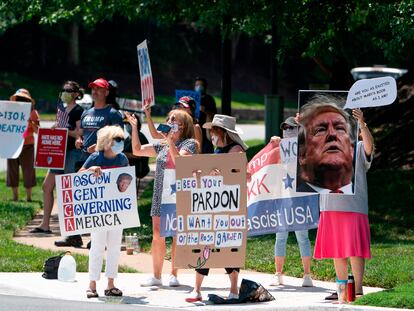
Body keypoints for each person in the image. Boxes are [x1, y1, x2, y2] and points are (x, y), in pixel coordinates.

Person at [125, 109, 197, 287]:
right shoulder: (163, 145)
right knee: (157, 234)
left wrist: (171, 141)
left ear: (183, 125)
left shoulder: (190, 143)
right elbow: (137, 150)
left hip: (180, 195)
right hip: (160, 194)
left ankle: (174, 274)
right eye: (169, 117)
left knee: (176, 234)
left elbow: (180, 161)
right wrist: (134, 127)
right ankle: (156, 276)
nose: (169, 120)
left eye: (174, 118)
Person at [185, 114, 248, 302]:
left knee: (228, 246)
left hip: (229, 206)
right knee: (206, 245)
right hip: (213, 204)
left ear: (223, 132)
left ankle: (234, 289)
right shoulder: (217, 150)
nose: (211, 134)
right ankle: (196, 289)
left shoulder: (235, 149)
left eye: (214, 130)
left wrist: (222, 173)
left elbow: (243, 175)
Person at [54, 78, 124, 247]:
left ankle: (98, 239)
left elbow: (121, 141)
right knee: (79, 199)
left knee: (100, 202)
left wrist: (101, 147)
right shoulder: (87, 113)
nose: (95, 92)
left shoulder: (113, 114)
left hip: (102, 163)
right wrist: (79, 139)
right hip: (83, 161)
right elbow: (82, 134)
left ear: (106, 92)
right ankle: (74, 236)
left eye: (99, 89)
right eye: (93, 89)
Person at [317, 108, 374, 302]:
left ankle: (357, 289)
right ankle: (341, 288)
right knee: (336, 248)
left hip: (353, 205)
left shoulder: (356, 147)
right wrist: (302, 126)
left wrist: (363, 125)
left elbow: (369, 147)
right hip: (330, 205)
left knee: (355, 249)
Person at [80, 125, 128, 298]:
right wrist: (90, 170)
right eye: (117, 140)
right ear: (107, 142)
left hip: (116, 209)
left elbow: (127, 179)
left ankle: (110, 283)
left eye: (121, 140)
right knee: (97, 246)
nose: (120, 143)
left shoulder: (122, 159)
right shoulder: (95, 157)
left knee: (115, 246)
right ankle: (92, 284)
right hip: (98, 211)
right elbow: (79, 175)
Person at [31, 81, 84, 234]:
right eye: (63, 90)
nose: (64, 93)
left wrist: (65, 131)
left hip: (71, 153)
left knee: (67, 190)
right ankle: (45, 225)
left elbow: (80, 132)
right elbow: (60, 125)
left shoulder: (78, 111)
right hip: (58, 153)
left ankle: (71, 229)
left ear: (75, 94)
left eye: (67, 91)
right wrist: (55, 128)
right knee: (47, 187)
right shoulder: (61, 108)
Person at [269, 117, 313, 287]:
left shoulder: (305, 148)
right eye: (285, 127)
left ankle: (307, 275)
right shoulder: (279, 148)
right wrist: (274, 145)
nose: (287, 130)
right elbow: (270, 163)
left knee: (302, 237)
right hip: (283, 196)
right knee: (280, 236)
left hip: (300, 197)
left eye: (291, 128)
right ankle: (278, 273)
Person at [297, 95, 356, 194]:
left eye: (340, 128)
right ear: (302, 155)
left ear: (352, 150)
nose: (332, 134)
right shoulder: (289, 203)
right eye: (320, 130)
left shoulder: (364, 197)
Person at [7, 88, 39, 202]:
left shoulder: (33, 113)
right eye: (19, 98)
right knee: (12, 171)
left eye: (24, 99)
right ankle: (15, 197)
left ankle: (29, 198)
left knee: (28, 171)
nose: (21, 101)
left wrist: (31, 122)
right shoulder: (10, 112)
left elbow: (37, 131)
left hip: (28, 145)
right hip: (12, 145)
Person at [194, 77, 217, 154]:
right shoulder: (191, 99)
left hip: (206, 133)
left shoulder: (209, 99)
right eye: (197, 85)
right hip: (194, 133)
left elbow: (215, 116)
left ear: (205, 87)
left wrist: (205, 110)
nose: (198, 87)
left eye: (201, 85)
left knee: (207, 156)